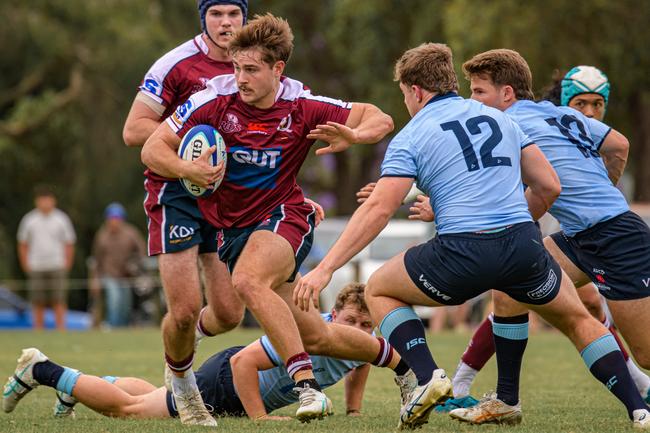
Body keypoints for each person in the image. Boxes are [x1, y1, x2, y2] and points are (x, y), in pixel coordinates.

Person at [294, 43, 650, 430]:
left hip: (464, 252)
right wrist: (509, 235)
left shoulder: (412, 134)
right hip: (522, 246)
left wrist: (325, 269)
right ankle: (637, 409)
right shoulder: (503, 120)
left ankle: (429, 377)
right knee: (576, 317)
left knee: (379, 288)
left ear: (415, 91)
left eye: (404, 95)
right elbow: (548, 185)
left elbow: (379, 209)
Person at [141, 13, 394, 423]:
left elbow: (379, 117)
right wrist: (187, 169)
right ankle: (405, 367)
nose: (240, 77)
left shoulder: (302, 104)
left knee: (246, 281)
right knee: (315, 332)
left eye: (252, 69)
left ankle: (306, 386)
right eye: (237, 67)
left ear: (278, 69)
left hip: (286, 216)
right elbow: (152, 148)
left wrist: (355, 135)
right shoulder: (211, 100)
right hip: (233, 231)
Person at [446, 63, 650, 410]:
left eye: (479, 92)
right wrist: (602, 184)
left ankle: (640, 384)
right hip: (577, 238)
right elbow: (618, 144)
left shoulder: (509, 123)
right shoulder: (552, 113)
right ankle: (506, 400)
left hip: (617, 238)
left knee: (646, 353)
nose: (473, 101)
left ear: (506, 93)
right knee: (510, 286)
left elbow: (542, 190)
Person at [2, 283, 404, 423]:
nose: (358, 332)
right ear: (333, 314)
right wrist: (259, 420)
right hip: (225, 383)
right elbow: (243, 362)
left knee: (146, 396)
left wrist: (354, 411)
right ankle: (45, 371)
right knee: (128, 411)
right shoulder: (313, 328)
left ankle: (77, 388)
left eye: (367, 327)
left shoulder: (359, 346)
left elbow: (360, 365)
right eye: (351, 320)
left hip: (227, 385)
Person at [122, 1, 248, 426]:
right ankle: (184, 387)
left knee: (229, 313)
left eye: (234, 13)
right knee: (184, 308)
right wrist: (190, 144)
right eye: (217, 14)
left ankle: (182, 345)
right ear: (203, 19)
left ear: (245, 18)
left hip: (222, 195)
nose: (226, 22)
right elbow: (134, 128)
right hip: (174, 192)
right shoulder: (174, 65)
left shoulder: (252, 64)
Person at [17, 186, 76, 330]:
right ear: (37, 202)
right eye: (42, 200)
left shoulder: (61, 219)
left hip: (57, 265)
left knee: (59, 299)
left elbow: (69, 243)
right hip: (36, 266)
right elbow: (23, 244)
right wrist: (26, 264)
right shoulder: (29, 220)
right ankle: (38, 329)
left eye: (47, 200)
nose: (45, 203)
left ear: (53, 201)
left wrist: (67, 264)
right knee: (38, 301)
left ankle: (61, 328)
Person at [90, 203, 146, 327]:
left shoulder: (131, 233)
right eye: (112, 219)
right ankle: (113, 327)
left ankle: (122, 329)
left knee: (125, 306)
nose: (114, 222)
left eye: (117, 219)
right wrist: (95, 279)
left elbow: (142, 252)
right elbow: (96, 259)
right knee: (114, 302)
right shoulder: (102, 236)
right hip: (109, 274)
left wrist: (134, 264)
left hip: (127, 275)